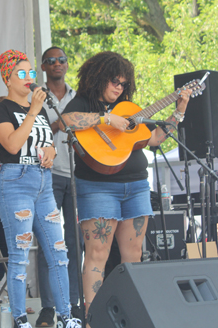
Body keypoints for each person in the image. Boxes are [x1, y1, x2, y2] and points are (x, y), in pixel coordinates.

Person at [60, 51, 192, 326]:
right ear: (99, 78)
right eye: (113, 81)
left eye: (123, 83)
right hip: (96, 187)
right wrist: (105, 120)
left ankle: (132, 315)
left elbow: (154, 139)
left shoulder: (130, 108)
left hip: (136, 187)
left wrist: (178, 111)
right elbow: (64, 122)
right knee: (97, 254)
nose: (118, 87)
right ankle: (92, 318)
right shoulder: (84, 101)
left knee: (134, 256)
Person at [0, 49, 80, 328]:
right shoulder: (1, 109)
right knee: (20, 254)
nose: (29, 78)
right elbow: (13, 145)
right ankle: (19, 319)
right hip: (16, 182)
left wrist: (51, 150)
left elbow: (44, 141)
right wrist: (33, 111)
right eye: (22, 73)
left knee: (59, 253)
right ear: (7, 77)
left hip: (43, 183)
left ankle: (66, 316)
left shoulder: (36, 112)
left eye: (31, 73)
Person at [36, 46, 81, 327]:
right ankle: (48, 307)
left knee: (75, 241)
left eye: (62, 60)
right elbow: (31, 133)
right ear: (43, 66)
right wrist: (56, 125)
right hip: (48, 174)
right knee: (48, 243)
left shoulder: (80, 97)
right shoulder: (37, 98)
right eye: (51, 61)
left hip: (78, 175)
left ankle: (74, 303)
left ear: (67, 64)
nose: (57, 64)